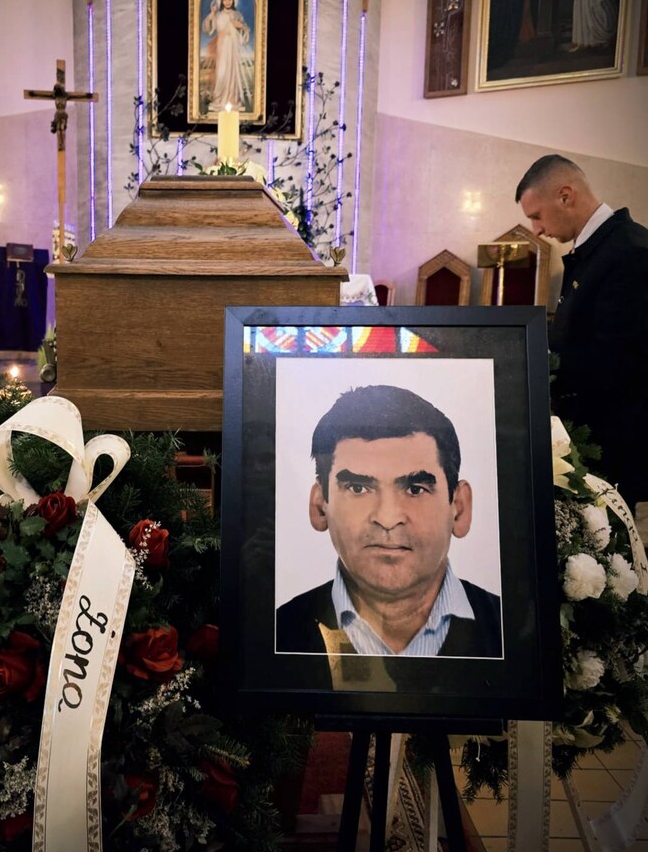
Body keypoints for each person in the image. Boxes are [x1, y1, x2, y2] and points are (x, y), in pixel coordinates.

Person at [276, 385, 502, 659]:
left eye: (415, 489)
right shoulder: (273, 634)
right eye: (358, 488)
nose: (387, 518)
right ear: (320, 507)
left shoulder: (513, 633)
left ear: (459, 508)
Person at [517, 154, 648, 510]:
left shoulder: (630, 252)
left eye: (536, 215)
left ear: (565, 196)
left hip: (612, 444)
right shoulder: (597, 249)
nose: (536, 230)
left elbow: (620, 362)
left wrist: (541, 362)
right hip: (592, 433)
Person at [201, 0, 252, 113]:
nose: (227, 2)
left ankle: (232, 100)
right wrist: (212, 14)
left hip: (233, 48)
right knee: (221, 73)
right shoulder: (218, 15)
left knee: (232, 73)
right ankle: (218, 99)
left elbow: (245, 30)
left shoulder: (237, 15)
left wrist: (241, 27)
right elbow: (207, 29)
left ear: (233, 1)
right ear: (222, 1)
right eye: (225, 0)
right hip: (221, 47)